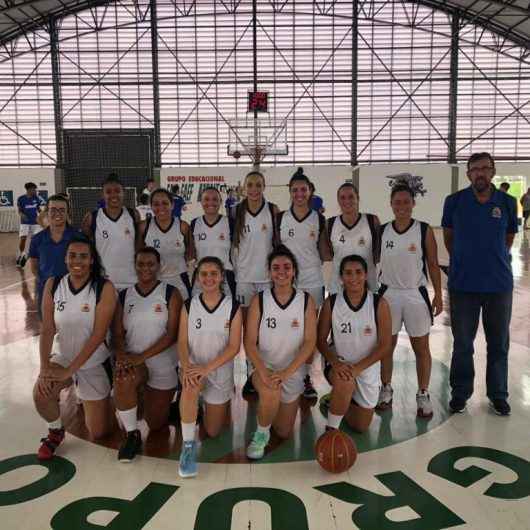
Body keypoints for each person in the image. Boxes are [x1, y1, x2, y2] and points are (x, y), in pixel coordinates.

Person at [442, 152, 518, 416]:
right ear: (468, 174)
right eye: (475, 169)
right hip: (463, 285)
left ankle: (498, 394)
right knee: (463, 343)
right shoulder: (454, 202)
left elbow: (508, 238)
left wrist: (490, 260)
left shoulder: (508, 202)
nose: (481, 173)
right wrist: (466, 261)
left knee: (499, 343)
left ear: (493, 171)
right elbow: (449, 238)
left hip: (498, 285)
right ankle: (460, 393)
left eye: (485, 168)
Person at [33, 234, 117, 460]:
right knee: (41, 393)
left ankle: (109, 402)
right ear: (65, 258)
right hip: (64, 356)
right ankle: (55, 431)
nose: (77, 260)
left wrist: (70, 372)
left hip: (94, 361)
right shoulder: (54, 284)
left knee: (99, 432)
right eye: (72, 255)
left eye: (83, 256)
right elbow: (48, 329)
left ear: (91, 260)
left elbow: (98, 335)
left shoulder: (104, 287)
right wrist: (44, 368)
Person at [376, 183, 443, 418]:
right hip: (389, 295)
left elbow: (433, 264)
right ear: (391, 204)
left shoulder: (423, 229)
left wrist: (439, 295)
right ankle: (385, 389)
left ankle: (423, 393)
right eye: (397, 202)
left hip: (416, 294)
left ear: (413, 204)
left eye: (406, 201)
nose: (402, 206)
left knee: (421, 348)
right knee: (386, 347)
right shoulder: (382, 231)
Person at [244, 246, 317, 459]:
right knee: (271, 392)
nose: (281, 272)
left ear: (294, 270)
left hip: (292, 372)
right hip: (264, 369)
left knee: (284, 431)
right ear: (269, 272)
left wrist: (286, 373)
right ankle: (260, 435)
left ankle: (266, 409)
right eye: (276, 268)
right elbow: (249, 342)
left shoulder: (306, 300)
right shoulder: (259, 300)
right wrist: (264, 371)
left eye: (287, 267)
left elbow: (310, 342)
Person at [112, 247, 182, 462]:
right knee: (123, 378)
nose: (145, 268)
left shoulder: (170, 293)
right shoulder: (124, 295)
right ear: (135, 265)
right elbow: (116, 333)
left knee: (155, 423)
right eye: (141, 264)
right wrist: (122, 357)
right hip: (135, 362)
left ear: (158, 266)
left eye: (150, 264)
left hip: (163, 364)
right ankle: (132, 435)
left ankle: (168, 402)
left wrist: (139, 357)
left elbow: (171, 335)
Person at [177, 257, 242, 477]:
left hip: (219, 371)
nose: (209, 278)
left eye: (214, 273)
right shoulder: (189, 305)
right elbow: (182, 342)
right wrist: (187, 367)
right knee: (190, 386)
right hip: (194, 367)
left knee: (213, 431)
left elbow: (234, 347)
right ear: (197, 278)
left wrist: (206, 369)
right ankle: (187, 446)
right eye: (203, 274)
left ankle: (199, 408)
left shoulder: (232, 307)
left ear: (222, 276)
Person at [317, 255, 391, 432]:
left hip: (366, 366)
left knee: (361, 427)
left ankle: (336, 400)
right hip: (338, 362)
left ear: (366, 275)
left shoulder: (379, 304)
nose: (353, 278)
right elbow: (320, 340)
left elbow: (385, 345)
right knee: (345, 380)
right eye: (348, 273)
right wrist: (335, 363)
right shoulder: (332, 302)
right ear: (341, 277)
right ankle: (331, 431)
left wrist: (358, 368)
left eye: (358, 272)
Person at [276, 167, 331, 399]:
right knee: (287, 329)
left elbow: (325, 252)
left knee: (309, 331)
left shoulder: (319, 218)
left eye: (303, 189)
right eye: (295, 190)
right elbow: (276, 250)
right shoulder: (280, 218)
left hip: (312, 279)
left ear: (310, 192)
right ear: (290, 192)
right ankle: (286, 372)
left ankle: (306, 376)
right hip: (287, 281)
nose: (299, 193)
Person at [230, 170, 279, 395]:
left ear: (264, 186)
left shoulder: (272, 210)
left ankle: (266, 369)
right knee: (249, 328)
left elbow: (277, 243)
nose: (254, 189)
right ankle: (251, 372)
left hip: (267, 278)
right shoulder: (236, 211)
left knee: (265, 328)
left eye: (258, 185)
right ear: (244, 187)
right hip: (244, 279)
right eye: (250, 185)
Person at [82, 174, 140, 290]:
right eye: (108, 192)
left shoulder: (134, 215)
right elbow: (86, 248)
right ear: (102, 194)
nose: (113, 195)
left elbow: (139, 246)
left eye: (117, 191)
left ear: (123, 193)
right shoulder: (91, 218)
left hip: (132, 281)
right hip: (104, 282)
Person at [139, 188, 193, 301]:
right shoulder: (144, 227)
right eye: (156, 204)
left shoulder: (183, 227)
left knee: (182, 316)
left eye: (165, 203)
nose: (161, 208)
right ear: (151, 206)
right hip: (154, 280)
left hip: (179, 280)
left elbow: (190, 254)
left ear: (172, 205)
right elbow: (138, 256)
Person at [327, 183, 380, 294]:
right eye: (342, 197)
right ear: (338, 200)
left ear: (358, 198)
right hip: (338, 287)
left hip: (368, 285)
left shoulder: (372, 221)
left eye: (351, 197)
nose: (347, 201)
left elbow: (378, 253)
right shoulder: (330, 224)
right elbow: (329, 254)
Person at [29, 194, 78, 311]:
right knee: (46, 327)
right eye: (53, 210)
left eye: (62, 210)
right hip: (45, 293)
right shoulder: (37, 239)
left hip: (73, 292)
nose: (57, 213)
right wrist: (45, 284)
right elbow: (34, 267)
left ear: (67, 213)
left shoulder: (78, 237)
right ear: (47, 212)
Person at [190, 187, 236, 298]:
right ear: (201, 201)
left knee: (225, 313)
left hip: (225, 276)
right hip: (201, 276)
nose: (210, 202)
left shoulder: (230, 223)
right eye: (206, 199)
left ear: (220, 202)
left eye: (215, 199)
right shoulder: (194, 223)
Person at [16, 182, 44, 268]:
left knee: (35, 240)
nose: (35, 191)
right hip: (25, 223)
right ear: (28, 190)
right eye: (34, 189)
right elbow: (19, 210)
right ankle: (21, 254)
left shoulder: (36, 198)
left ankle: (27, 256)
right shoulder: (21, 199)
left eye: (35, 189)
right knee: (23, 238)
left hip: (35, 223)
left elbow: (38, 209)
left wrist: (42, 216)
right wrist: (22, 215)